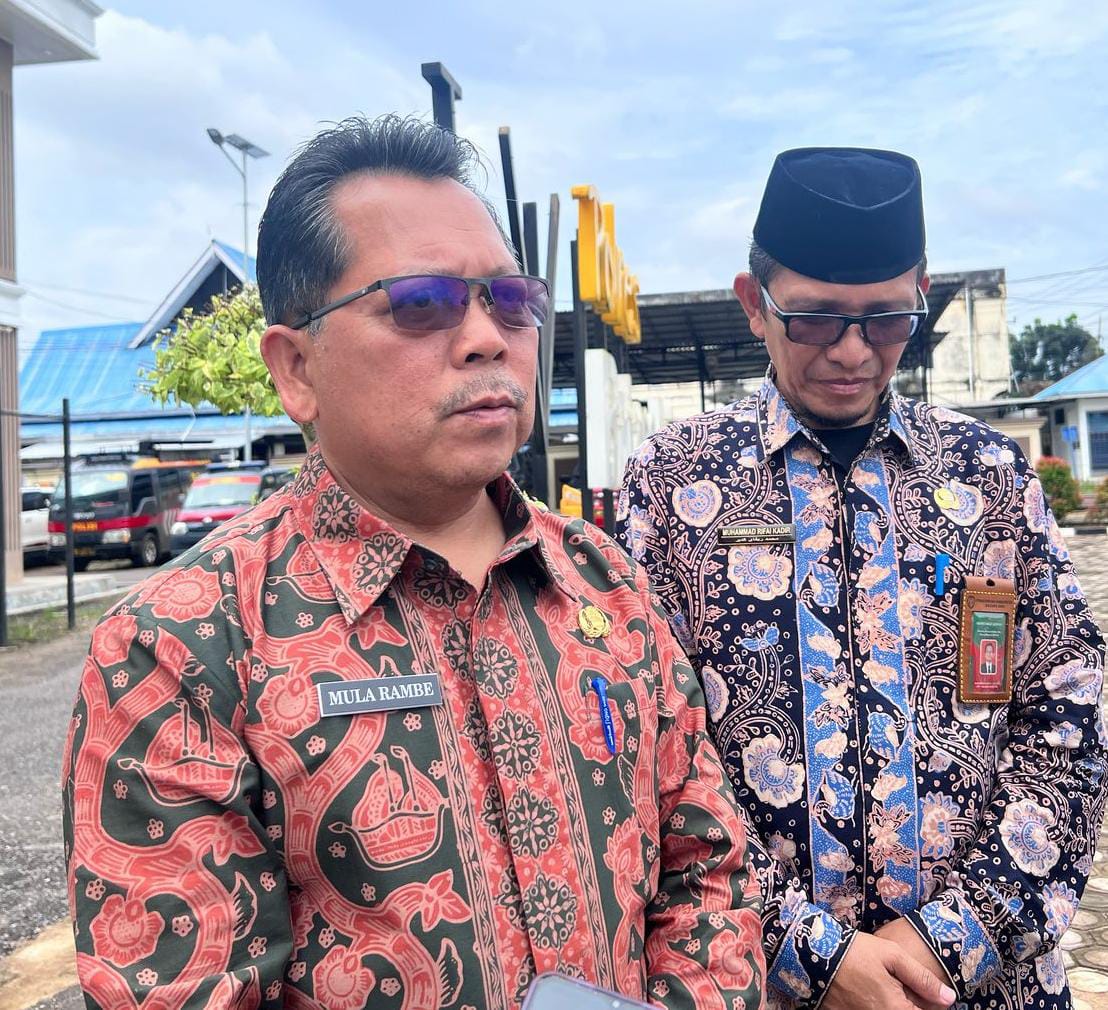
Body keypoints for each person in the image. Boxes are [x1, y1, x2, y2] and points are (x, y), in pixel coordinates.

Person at [62, 115, 765, 1010]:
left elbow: (708, 872)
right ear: (296, 368)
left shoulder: (602, 580)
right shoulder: (182, 648)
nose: (487, 339)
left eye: (508, 299)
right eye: (421, 303)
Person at [618, 147, 1107, 1010]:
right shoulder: (672, 482)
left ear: (920, 295)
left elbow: (1071, 714)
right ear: (753, 303)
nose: (853, 351)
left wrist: (952, 937)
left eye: (885, 320)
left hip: (984, 985)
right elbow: (648, 746)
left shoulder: (990, 477)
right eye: (815, 318)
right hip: (760, 980)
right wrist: (811, 954)